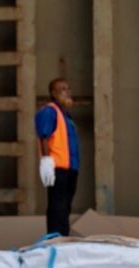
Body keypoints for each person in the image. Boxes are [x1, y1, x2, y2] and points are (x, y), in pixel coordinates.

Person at [36, 77, 80, 236]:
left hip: (70, 168)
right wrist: (46, 161)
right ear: (53, 93)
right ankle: (56, 237)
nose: (67, 91)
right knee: (58, 205)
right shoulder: (50, 111)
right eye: (62, 89)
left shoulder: (66, 116)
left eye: (68, 88)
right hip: (58, 168)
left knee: (65, 207)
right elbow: (44, 136)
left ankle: (62, 236)